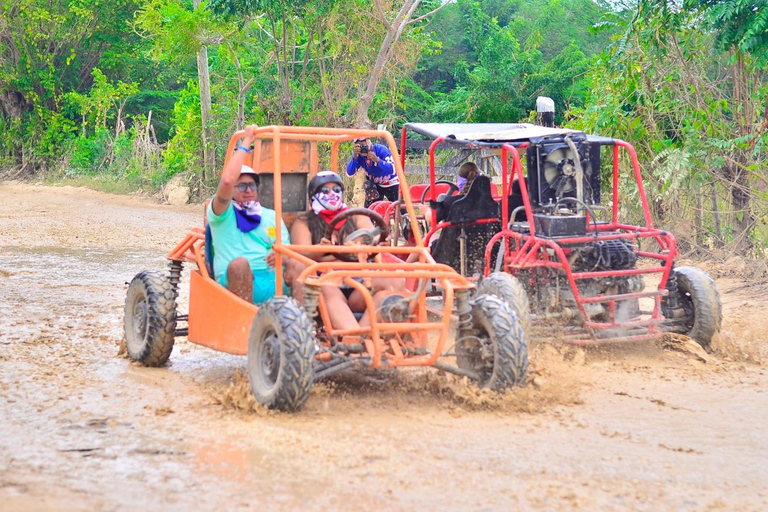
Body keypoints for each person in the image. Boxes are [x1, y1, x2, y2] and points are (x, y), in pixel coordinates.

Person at [290, 171, 405, 330]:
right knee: (327, 290)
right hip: (328, 280)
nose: (332, 195)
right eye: (325, 191)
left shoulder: (356, 216)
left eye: (336, 190)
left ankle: (361, 338)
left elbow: (370, 237)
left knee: (394, 282)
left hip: (360, 279)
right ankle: (355, 337)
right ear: (314, 195)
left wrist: (379, 242)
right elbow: (300, 255)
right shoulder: (305, 222)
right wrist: (321, 251)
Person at [207, 125, 290, 304]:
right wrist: (246, 140)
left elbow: (288, 251)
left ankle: (307, 326)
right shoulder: (222, 213)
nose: (248, 190)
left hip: (271, 279)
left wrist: (284, 258)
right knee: (239, 264)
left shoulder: (271, 216)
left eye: (252, 185)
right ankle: (243, 325)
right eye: (242, 186)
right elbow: (228, 180)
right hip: (236, 280)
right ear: (233, 190)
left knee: (300, 265)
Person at [346, 137, 399, 207]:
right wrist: (354, 158)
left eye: (363, 145)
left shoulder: (381, 149)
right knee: (369, 212)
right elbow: (349, 173)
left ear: (369, 142)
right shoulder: (358, 155)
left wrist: (377, 160)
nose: (363, 148)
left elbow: (393, 169)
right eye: (359, 146)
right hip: (375, 185)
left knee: (401, 209)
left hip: (391, 183)